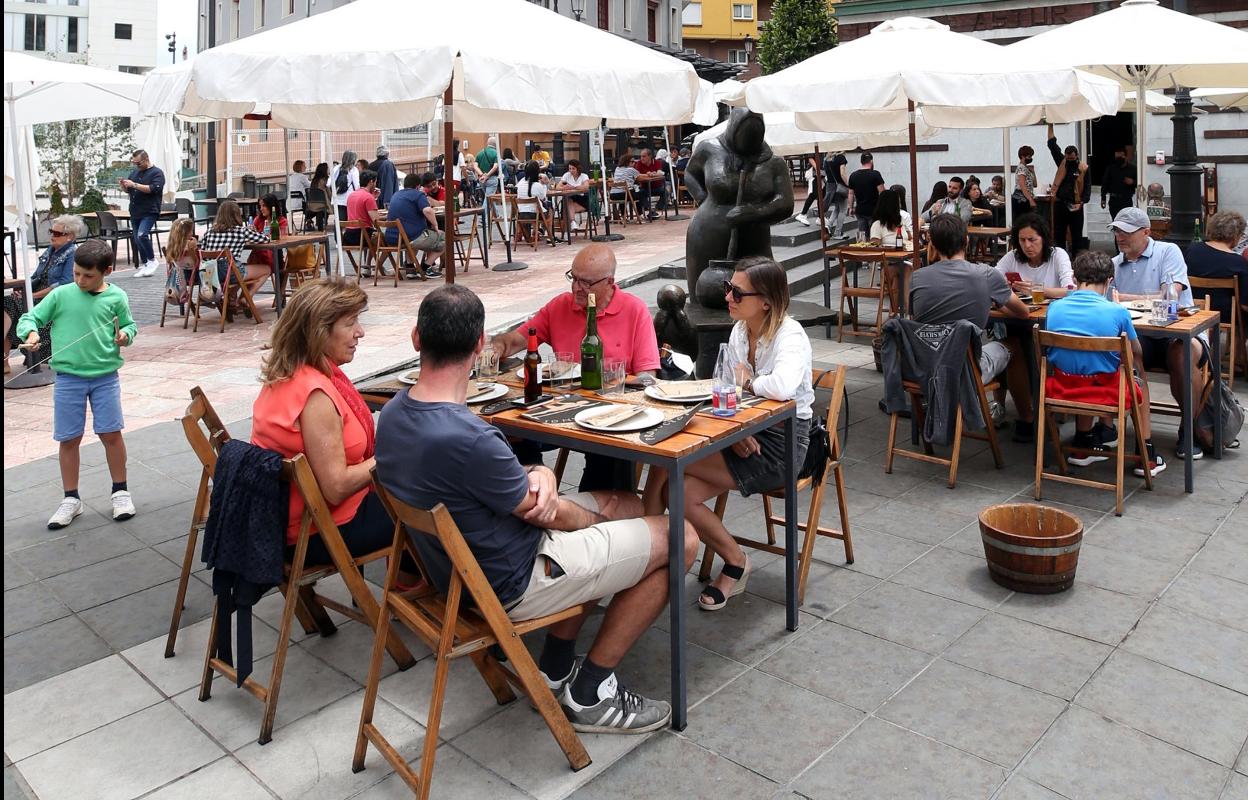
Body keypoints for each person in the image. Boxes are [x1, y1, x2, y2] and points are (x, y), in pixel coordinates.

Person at [377, 283, 697, 733]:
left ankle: (555, 663)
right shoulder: (470, 438)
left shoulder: (392, 415)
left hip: (458, 572)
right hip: (513, 582)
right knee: (680, 538)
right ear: (477, 345)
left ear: (416, 339)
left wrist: (542, 473)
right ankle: (590, 694)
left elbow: (515, 488)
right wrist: (589, 522)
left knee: (628, 501)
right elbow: (551, 516)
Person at [643, 257, 813, 611]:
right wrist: (736, 431)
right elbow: (728, 390)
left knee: (667, 459)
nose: (728, 297)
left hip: (783, 443)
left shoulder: (789, 334)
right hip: (745, 427)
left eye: (737, 291)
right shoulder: (740, 331)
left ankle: (647, 555)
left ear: (766, 300)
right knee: (677, 486)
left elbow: (780, 388)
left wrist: (748, 382)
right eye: (727, 289)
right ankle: (732, 559)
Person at [250, 279, 420, 580]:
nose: (360, 332)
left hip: (300, 520)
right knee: (444, 496)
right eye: (350, 322)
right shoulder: (314, 395)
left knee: (425, 484)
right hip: (320, 531)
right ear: (319, 331)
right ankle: (433, 592)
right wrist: (396, 454)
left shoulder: (291, 373)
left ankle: (412, 583)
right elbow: (337, 486)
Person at [490, 244, 659, 491]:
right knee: (507, 430)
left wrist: (613, 382)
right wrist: (496, 347)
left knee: (610, 452)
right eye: (573, 278)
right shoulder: (561, 306)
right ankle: (533, 492)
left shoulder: (634, 310)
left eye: (586, 283)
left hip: (609, 414)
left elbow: (648, 377)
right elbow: (515, 341)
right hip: (559, 411)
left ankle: (598, 511)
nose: (576, 288)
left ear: (609, 282)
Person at [17, 239, 138, 528]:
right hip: (68, 378)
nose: (81, 280)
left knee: (111, 433)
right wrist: (31, 333)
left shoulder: (117, 297)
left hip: (105, 377)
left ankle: (120, 491)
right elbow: (29, 317)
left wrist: (126, 336)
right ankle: (71, 498)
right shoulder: (61, 295)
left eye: (88, 275)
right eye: (76, 274)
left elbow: (130, 325)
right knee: (69, 438)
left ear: (106, 271)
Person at [910, 214, 1035, 440]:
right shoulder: (986, 275)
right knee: (1014, 343)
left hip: (923, 367)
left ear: (933, 245)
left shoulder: (917, 277)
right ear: (967, 241)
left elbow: (915, 318)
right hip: (966, 369)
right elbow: (1023, 312)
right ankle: (1026, 419)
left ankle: (997, 407)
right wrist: (989, 300)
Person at [1046, 251, 1165, 476]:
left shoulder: (1054, 308)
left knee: (1082, 368)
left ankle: (1082, 445)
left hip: (1060, 389)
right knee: (1137, 375)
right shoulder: (1117, 312)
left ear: (1074, 278)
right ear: (1109, 281)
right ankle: (1145, 455)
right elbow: (1136, 351)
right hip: (1104, 391)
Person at [1110, 207, 1208, 458]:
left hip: (1181, 331)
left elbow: (1169, 294)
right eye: (1117, 231)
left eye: (1127, 232)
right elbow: (1108, 300)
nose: (1121, 236)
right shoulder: (1114, 264)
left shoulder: (1168, 251)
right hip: (1143, 335)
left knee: (1181, 354)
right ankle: (1139, 437)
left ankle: (1189, 428)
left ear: (1146, 232)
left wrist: (1127, 298)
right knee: (1129, 351)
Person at [3, 214, 86, 372]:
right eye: (51, 231)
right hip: (34, 297)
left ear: (69, 237)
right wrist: (21, 288)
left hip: (51, 301)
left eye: (56, 233)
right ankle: (4, 362)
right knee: (7, 303)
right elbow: (35, 277)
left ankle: (5, 362)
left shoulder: (72, 254)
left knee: (8, 306)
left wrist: (30, 295)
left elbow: (63, 285)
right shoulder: (50, 252)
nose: (52, 236)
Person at [1184, 210, 1248, 340]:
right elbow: (1245, 304)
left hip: (1194, 308)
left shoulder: (1193, 250)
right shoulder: (1237, 262)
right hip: (1225, 315)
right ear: (1236, 236)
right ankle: (1239, 354)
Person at [995, 213, 1074, 299]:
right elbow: (990, 280)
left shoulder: (1058, 255)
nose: (1027, 245)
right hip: (1022, 309)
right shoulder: (1013, 256)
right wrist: (1003, 285)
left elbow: (1071, 290)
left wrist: (1036, 289)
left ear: (1043, 239)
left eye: (1032, 239)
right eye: (1022, 240)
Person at [386, 172, 444, 278]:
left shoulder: (396, 194)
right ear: (418, 186)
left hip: (392, 237)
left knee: (414, 234)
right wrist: (435, 226)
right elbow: (428, 211)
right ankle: (426, 267)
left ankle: (410, 268)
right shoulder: (418, 195)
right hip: (411, 237)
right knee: (445, 238)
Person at [200, 199, 271, 284]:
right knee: (266, 269)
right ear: (236, 215)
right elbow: (265, 239)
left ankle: (232, 296)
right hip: (229, 272)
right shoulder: (240, 231)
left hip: (209, 274)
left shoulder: (209, 231)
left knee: (237, 269)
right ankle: (245, 297)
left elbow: (202, 252)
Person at [1046, 124, 1091, 255]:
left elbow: (1087, 187)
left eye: (1072, 158)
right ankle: (1060, 258)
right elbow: (1052, 145)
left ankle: (1076, 260)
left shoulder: (1083, 167)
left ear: (1077, 156)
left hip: (1076, 205)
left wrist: (1082, 202)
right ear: (1065, 156)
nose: (1069, 160)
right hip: (1060, 203)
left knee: (1077, 235)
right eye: (1068, 158)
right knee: (1059, 235)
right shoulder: (1062, 162)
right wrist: (1050, 125)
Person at [121, 149, 165, 277]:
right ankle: (145, 263)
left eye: (138, 163)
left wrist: (134, 184)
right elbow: (129, 190)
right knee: (136, 238)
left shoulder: (157, 173)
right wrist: (124, 186)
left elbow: (153, 189)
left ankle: (152, 260)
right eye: (134, 163)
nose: (136, 166)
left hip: (149, 210)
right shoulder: (135, 173)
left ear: (146, 160)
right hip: (135, 210)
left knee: (142, 235)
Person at [847, 152, 885, 242]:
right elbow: (882, 192)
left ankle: (862, 253)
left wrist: (850, 207)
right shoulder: (875, 174)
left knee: (862, 235)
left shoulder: (853, 175)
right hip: (873, 210)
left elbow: (850, 193)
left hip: (860, 210)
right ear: (871, 161)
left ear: (861, 162)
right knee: (874, 234)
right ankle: (873, 254)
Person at [162, 217, 201, 307]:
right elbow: (197, 263)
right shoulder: (190, 245)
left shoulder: (171, 247)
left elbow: (169, 262)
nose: (192, 233)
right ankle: (205, 298)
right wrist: (194, 246)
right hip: (194, 276)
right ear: (186, 233)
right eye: (191, 231)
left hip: (178, 278)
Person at [246, 194, 289, 272]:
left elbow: (282, 239)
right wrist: (252, 232)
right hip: (258, 255)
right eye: (260, 206)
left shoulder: (281, 221)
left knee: (278, 254)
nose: (261, 209)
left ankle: (279, 282)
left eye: (264, 206)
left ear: (272, 207)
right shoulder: (258, 219)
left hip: (273, 254)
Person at [1100, 144, 1137, 223]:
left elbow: (1139, 183)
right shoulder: (1111, 169)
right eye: (1117, 157)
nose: (1119, 159)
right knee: (1116, 222)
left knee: (1126, 222)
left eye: (1121, 157)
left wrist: (1132, 182)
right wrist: (1103, 198)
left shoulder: (1132, 169)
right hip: (1114, 200)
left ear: (1125, 157)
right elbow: (1105, 183)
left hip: (1126, 199)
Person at [515, 159, 551, 239]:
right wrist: (543, 185)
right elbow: (543, 198)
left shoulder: (520, 183)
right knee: (549, 210)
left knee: (534, 208)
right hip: (535, 215)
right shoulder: (538, 185)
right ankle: (548, 235)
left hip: (521, 214)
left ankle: (522, 234)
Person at [558, 159, 591, 231]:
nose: (571, 170)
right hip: (570, 198)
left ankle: (567, 232)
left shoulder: (584, 176)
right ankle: (573, 222)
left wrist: (573, 187)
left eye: (573, 168)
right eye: (570, 168)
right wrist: (564, 188)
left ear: (578, 169)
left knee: (566, 207)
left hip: (581, 200)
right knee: (568, 201)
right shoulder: (567, 175)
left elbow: (586, 187)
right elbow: (558, 187)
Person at [823, 151, 850, 237]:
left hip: (831, 187)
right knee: (843, 210)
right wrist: (849, 185)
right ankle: (838, 232)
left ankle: (829, 224)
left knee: (837, 208)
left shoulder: (826, 159)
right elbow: (842, 173)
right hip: (840, 187)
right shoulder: (841, 158)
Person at [633, 149, 666, 219]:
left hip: (657, 187)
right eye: (641, 156)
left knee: (666, 192)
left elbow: (660, 173)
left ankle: (656, 209)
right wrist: (648, 174)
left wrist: (654, 174)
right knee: (639, 194)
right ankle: (649, 210)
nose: (642, 158)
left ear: (650, 156)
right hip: (645, 187)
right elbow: (637, 175)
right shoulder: (639, 163)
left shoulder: (657, 162)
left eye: (644, 156)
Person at [331, 150, 360, 222]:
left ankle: (337, 233)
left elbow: (329, 183)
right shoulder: (354, 170)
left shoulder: (336, 168)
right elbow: (357, 186)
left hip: (336, 198)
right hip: (349, 198)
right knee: (349, 221)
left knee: (338, 222)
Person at [1013, 145, 1039, 222]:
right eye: (1029, 156)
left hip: (1026, 197)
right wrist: (1030, 200)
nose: (1030, 158)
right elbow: (1022, 185)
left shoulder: (1026, 168)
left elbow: (1035, 184)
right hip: (1021, 198)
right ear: (1022, 156)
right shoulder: (1021, 168)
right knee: (1023, 221)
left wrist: (1033, 172)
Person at [794, 155, 821, 227]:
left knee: (820, 195)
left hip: (819, 172)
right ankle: (803, 214)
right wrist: (817, 169)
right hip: (814, 173)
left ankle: (820, 217)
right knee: (814, 194)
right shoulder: (813, 146)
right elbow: (810, 157)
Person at [306, 162, 331, 232]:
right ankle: (323, 224)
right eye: (328, 169)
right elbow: (328, 195)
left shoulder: (314, 180)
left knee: (320, 208)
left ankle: (315, 222)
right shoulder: (324, 181)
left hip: (311, 205)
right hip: (322, 205)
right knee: (324, 207)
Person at [476, 135, 501, 201]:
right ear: (496, 145)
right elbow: (495, 167)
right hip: (492, 178)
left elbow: (475, 166)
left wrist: (482, 174)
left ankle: (496, 212)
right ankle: (484, 211)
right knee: (488, 200)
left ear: (487, 143)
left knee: (490, 199)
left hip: (481, 179)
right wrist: (487, 175)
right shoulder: (496, 153)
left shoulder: (480, 153)